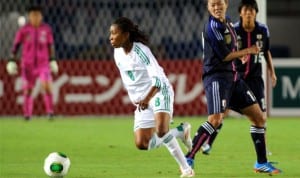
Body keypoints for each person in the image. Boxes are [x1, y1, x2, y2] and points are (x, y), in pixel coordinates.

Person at [185, 0, 281, 175]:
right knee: (216, 119)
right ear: (208, 7)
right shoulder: (212, 27)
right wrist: (247, 52)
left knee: (259, 118)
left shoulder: (228, 21)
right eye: (212, 4)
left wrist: (239, 59)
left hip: (234, 78)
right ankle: (189, 158)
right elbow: (224, 55)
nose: (216, 7)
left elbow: (232, 48)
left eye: (219, 3)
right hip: (217, 78)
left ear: (226, 4)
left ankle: (261, 163)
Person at [109, 17, 194, 178]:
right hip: (142, 101)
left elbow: (158, 80)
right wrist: (140, 99)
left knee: (162, 131)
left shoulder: (141, 51)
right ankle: (181, 131)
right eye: (110, 34)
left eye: (114, 33)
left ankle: (186, 169)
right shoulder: (117, 53)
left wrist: (147, 98)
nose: (110, 37)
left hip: (159, 92)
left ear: (126, 35)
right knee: (142, 144)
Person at [6, 5, 58, 120]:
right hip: (28, 64)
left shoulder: (46, 29)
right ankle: (27, 114)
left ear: (41, 16)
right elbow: (16, 46)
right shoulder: (24, 30)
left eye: (37, 15)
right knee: (28, 89)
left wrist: (52, 59)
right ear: (29, 16)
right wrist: (11, 59)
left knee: (46, 85)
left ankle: (50, 112)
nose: (35, 17)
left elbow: (50, 46)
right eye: (33, 15)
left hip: (43, 63)